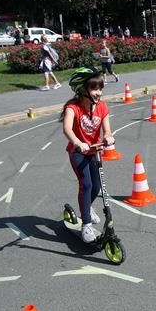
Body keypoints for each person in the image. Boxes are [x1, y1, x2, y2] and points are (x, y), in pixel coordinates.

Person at [61, 67, 115, 243]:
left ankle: (87, 208)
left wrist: (108, 137)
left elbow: (107, 130)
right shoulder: (73, 108)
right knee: (86, 184)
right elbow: (67, 128)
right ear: (82, 90)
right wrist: (77, 142)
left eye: (100, 88)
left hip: (94, 151)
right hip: (78, 152)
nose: (99, 92)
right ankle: (86, 224)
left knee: (97, 187)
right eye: (94, 88)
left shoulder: (102, 107)